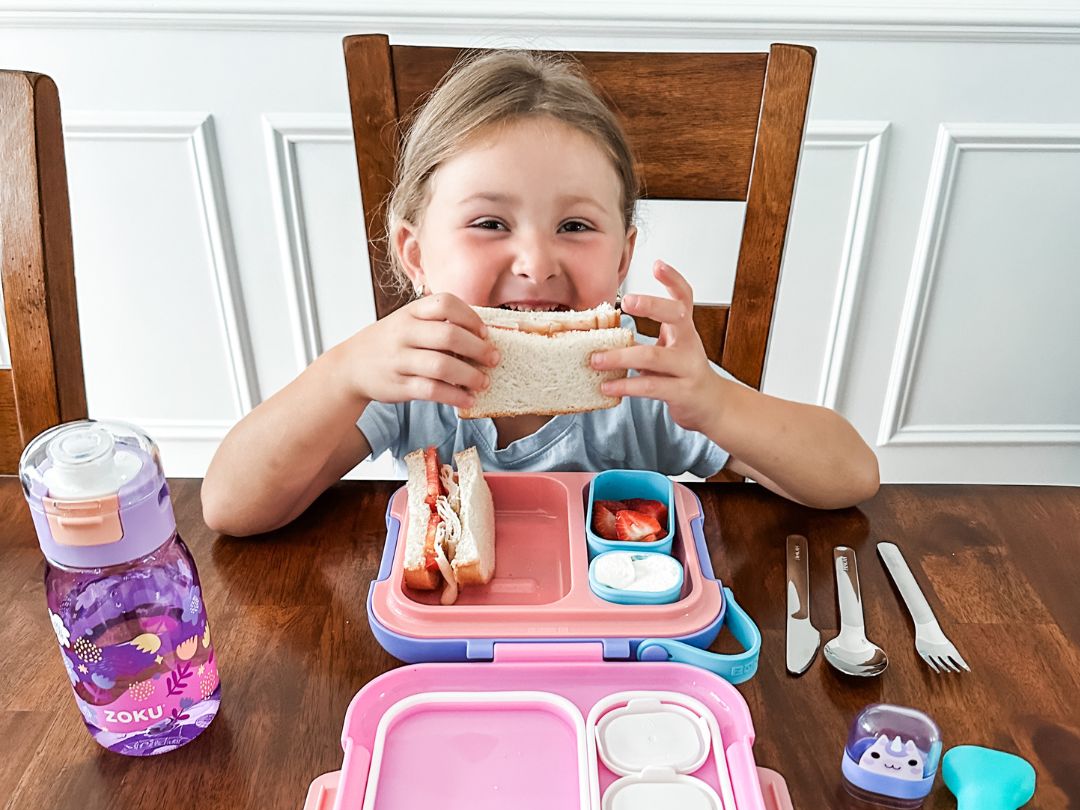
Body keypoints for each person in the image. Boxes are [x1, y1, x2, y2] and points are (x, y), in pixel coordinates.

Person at [202, 50, 879, 537]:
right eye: (490, 223)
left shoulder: (640, 383)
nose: (536, 261)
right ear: (416, 256)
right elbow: (231, 507)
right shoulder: (411, 379)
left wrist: (717, 402)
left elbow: (850, 475)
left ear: (622, 259)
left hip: (620, 651)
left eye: (576, 226)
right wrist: (342, 373)